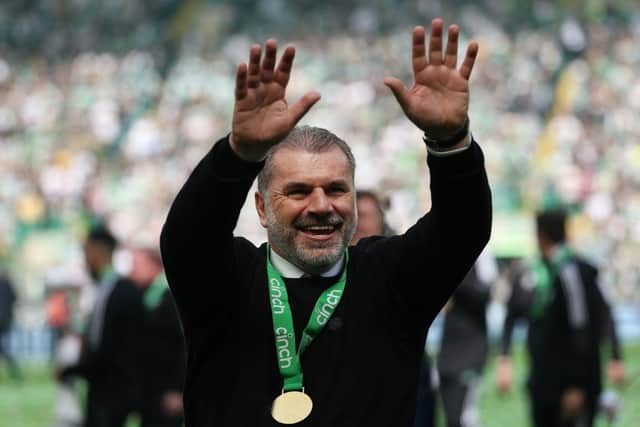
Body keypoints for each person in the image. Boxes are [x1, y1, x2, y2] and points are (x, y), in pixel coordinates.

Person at [161, 18, 491, 426]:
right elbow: (188, 236)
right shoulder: (228, 280)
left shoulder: (390, 279)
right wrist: (239, 155)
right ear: (262, 208)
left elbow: (462, 228)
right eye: (298, 191)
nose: (321, 205)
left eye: (336, 189)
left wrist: (451, 142)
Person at [497, 210, 625, 427]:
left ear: (540, 235)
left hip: (568, 382)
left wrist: (576, 383)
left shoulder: (573, 271)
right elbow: (514, 313)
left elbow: (581, 328)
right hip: (545, 380)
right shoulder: (537, 272)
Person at [351, 190, 436, 427]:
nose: (358, 223)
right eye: (354, 215)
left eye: (365, 215)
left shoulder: (401, 264)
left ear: (381, 220)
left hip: (402, 379)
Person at [60, 225, 144, 427]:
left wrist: (74, 370)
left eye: (86, 251)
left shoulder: (123, 291)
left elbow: (113, 347)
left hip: (114, 391)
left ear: (98, 251)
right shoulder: (104, 288)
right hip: (100, 389)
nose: (84, 259)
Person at [437, 249, 497, 427]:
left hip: (469, 354)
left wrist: (456, 273)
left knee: (463, 419)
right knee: (451, 419)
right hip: (447, 356)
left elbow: (485, 293)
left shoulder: (482, 254)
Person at [129, 247, 186, 427]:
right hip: (154, 391)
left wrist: (178, 390)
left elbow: (183, 346)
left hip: (168, 393)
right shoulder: (150, 295)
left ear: (153, 265)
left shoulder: (170, 297)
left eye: (136, 265)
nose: (132, 271)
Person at [0, 270, 20, 381]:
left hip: (3, 320)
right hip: (6, 320)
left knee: (3, 348)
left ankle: (15, 371)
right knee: (4, 347)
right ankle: (14, 371)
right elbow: (16, 298)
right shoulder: (9, 284)